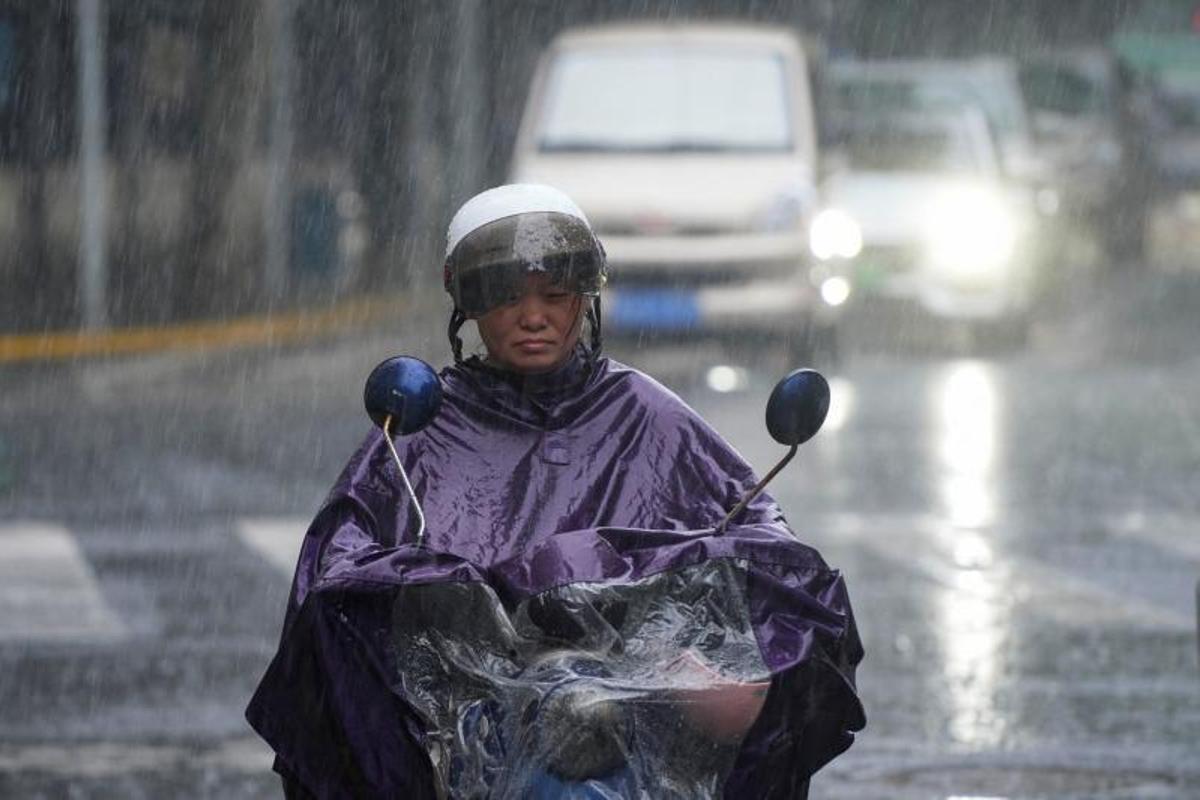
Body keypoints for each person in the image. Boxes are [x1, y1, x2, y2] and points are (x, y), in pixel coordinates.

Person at [247, 184, 865, 799]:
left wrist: (693, 605)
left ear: (586, 296)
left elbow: (756, 527)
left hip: (636, 714)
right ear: (467, 302)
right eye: (507, 296)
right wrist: (429, 592)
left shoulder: (647, 415)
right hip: (474, 720)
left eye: (555, 294)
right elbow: (337, 563)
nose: (533, 316)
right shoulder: (421, 429)